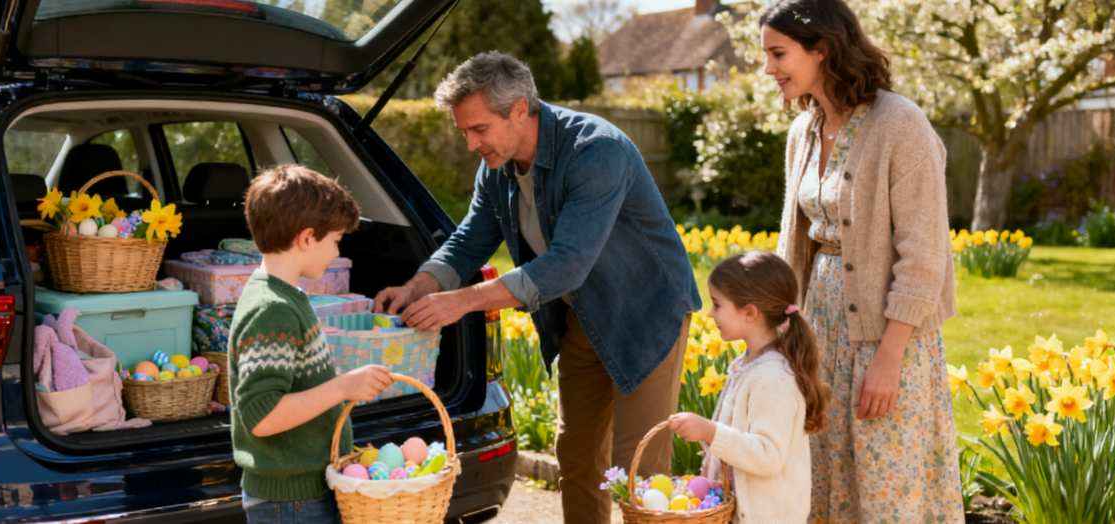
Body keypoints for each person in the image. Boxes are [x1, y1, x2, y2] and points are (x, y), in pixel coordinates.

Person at [372, 51, 701, 524]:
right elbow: (469, 239)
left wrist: (461, 302)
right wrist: (418, 286)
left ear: (521, 109)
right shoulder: (497, 165)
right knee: (577, 458)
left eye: (479, 129)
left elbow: (566, 265)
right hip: (581, 319)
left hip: (644, 313)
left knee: (640, 471)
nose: (470, 144)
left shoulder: (596, 151)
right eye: (464, 131)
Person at [760, 0, 964, 520]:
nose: (769, 68)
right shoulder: (802, 133)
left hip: (888, 336)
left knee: (887, 483)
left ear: (822, 49)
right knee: (822, 475)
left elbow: (924, 255)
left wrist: (889, 358)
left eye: (779, 54)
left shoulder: (901, 125)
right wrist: (782, 336)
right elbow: (794, 244)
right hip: (822, 332)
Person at [229, 164, 393, 523]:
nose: (336, 252)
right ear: (306, 238)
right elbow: (262, 415)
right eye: (335, 241)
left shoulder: (285, 296)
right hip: (290, 503)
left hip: (301, 495)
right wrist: (342, 387)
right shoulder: (272, 309)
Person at [670, 251, 829, 523]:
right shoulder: (747, 364)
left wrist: (709, 432)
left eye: (717, 305)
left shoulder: (773, 378)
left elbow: (767, 455)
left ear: (750, 313)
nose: (710, 314)